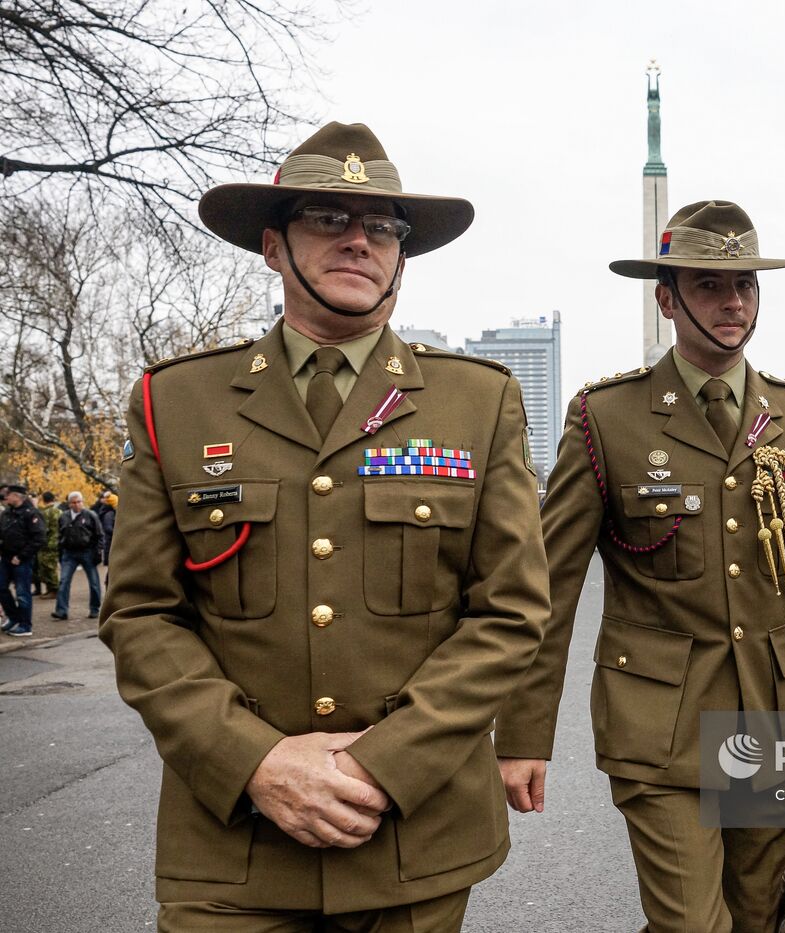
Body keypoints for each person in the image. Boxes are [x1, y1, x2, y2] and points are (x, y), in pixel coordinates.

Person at [98, 121, 549, 930]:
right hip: (235, 844)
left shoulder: (477, 403)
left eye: (382, 227)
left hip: (413, 837)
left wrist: (383, 765)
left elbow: (510, 613)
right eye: (327, 218)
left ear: (402, 259)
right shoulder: (178, 400)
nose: (358, 241)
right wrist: (257, 762)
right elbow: (140, 613)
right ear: (273, 246)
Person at [493, 200, 785, 932]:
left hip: (774, 717)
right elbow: (549, 589)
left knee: (758, 916)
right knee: (690, 922)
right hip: (657, 728)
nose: (733, 302)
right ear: (666, 298)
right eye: (708, 285)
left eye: (747, 286)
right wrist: (523, 736)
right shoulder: (609, 417)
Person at [0, 483, 46, 637]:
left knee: (22, 593)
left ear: (17, 496)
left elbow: (39, 538)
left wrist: (21, 556)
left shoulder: (31, 513)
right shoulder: (7, 513)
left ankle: (25, 625)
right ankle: (14, 618)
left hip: (22, 560)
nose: (6, 497)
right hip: (6, 558)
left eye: (9, 494)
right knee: (1, 588)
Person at [53, 491, 104, 620]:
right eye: (73, 502)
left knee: (94, 582)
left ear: (82, 502)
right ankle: (61, 610)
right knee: (64, 581)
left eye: (78, 502)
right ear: (69, 504)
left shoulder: (90, 515)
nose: (76, 505)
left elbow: (99, 535)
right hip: (69, 553)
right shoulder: (63, 517)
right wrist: (60, 552)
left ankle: (95, 609)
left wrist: (98, 552)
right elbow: (60, 535)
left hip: (87, 551)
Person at [35, 491, 60, 597]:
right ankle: (51, 589)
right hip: (57, 542)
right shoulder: (59, 511)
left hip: (47, 544)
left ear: (44, 500)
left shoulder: (46, 513)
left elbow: (44, 529)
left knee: (47, 567)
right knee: (52, 566)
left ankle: (54, 590)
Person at [94, 490, 117, 567]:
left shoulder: (108, 512)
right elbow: (108, 528)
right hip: (110, 542)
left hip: (109, 542)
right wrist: (117, 533)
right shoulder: (109, 514)